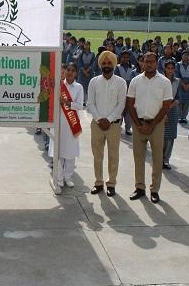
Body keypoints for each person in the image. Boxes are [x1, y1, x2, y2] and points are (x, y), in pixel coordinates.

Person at [127, 52, 172, 203]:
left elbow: (166, 106)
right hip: (138, 123)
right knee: (138, 157)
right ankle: (139, 187)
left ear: (156, 63)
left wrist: (152, 125)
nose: (149, 64)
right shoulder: (135, 81)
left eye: (152, 61)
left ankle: (155, 190)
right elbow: (130, 103)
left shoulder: (164, 82)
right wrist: (139, 124)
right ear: (142, 63)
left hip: (156, 124)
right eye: (146, 61)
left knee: (157, 158)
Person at [86, 50, 126, 197]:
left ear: (114, 64)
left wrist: (108, 120)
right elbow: (90, 104)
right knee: (97, 155)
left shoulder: (121, 82)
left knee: (113, 155)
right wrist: (99, 119)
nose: (107, 65)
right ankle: (98, 182)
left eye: (109, 63)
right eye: (104, 63)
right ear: (100, 65)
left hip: (114, 125)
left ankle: (111, 184)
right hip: (97, 125)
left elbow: (121, 105)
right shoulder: (93, 81)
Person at [48, 62, 84, 188]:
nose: (69, 72)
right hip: (59, 122)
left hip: (71, 124)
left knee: (70, 152)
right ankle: (59, 178)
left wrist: (67, 103)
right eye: (68, 69)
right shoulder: (58, 86)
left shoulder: (79, 87)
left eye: (73, 70)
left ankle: (68, 177)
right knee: (59, 152)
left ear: (76, 73)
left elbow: (80, 105)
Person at [163, 60, 179, 170]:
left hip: (173, 109)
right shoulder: (161, 81)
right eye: (168, 68)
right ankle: (159, 158)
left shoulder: (177, 81)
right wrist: (164, 112)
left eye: (172, 68)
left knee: (171, 136)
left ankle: (166, 159)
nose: (170, 70)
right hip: (161, 108)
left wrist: (170, 107)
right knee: (161, 135)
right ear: (165, 69)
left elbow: (179, 97)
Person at [114, 50, 134, 135]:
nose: (125, 59)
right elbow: (116, 79)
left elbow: (134, 79)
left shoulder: (133, 67)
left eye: (127, 57)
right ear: (121, 58)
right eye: (123, 57)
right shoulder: (117, 67)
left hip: (130, 91)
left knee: (129, 111)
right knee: (120, 109)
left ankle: (128, 128)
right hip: (120, 91)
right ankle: (118, 126)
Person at [176, 50, 189, 123]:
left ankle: (184, 117)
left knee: (187, 101)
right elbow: (177, 75)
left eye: (187, 55)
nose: (186, 56)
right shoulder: (178, 64)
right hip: (180, 84)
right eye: (184, 55)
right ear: (182, 56)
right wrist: (183, 84)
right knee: (180, 101)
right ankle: (179, 117)